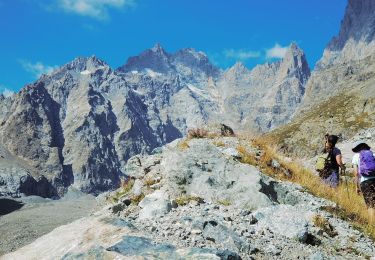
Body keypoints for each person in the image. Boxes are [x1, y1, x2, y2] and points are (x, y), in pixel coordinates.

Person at [352, 141, 375, 224]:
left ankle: (372, 226)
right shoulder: (373, 154)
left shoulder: (356, 156)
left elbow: (356, 173)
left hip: (365, 182)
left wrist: (357, 187)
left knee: (370, 205)